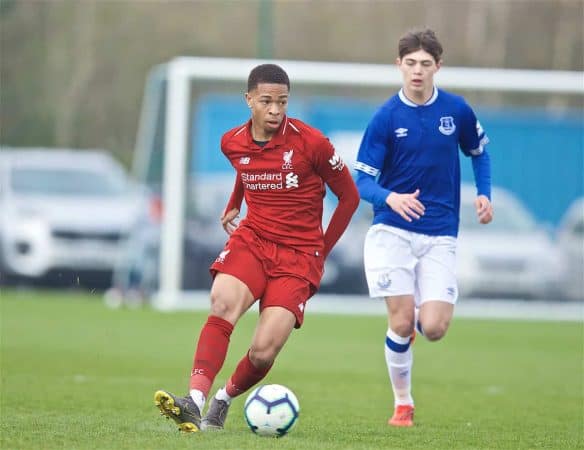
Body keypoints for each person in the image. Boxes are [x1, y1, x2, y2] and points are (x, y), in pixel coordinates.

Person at [154, 63, 360, 432]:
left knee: (264, 349)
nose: (275, 110)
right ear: (248, 100)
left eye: (282, 102)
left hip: (299, 256)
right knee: (222, 301)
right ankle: (194, 401)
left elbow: (349, 197)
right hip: (254, 239)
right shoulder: (231, 141)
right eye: (266, 101)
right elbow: (247, 167)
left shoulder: (311, 143)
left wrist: (321, 252)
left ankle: (223, 399)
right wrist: (235, 201)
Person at [354, 28, 493, 427]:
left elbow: (480, 153)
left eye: (425, 64)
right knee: (399, 322)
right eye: (410, 63)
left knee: (432, 327)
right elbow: (361, 181)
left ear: (438, 66)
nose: (417, 71)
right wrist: (390, 198)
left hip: (440, 233)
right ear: (399, 65)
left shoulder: (457, 111)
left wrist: (484, 194)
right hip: (392, 231)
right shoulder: (385, 118)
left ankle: (415, 328)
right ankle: (403, 404)